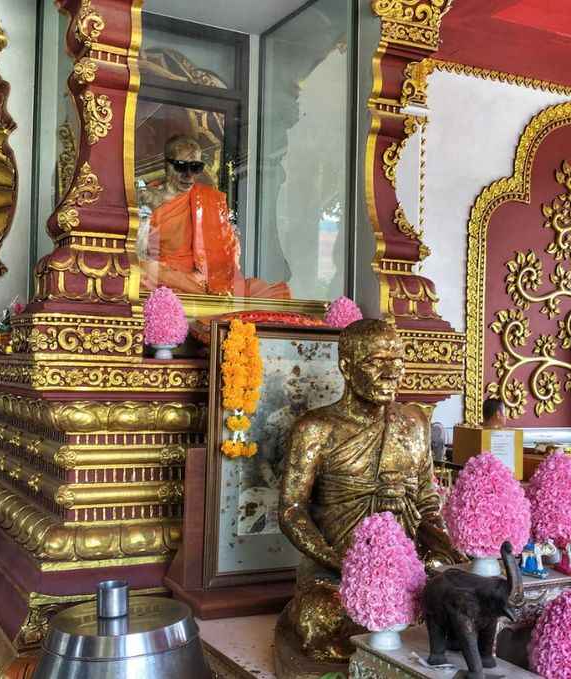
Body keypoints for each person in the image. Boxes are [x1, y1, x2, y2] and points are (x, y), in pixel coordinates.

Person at [277, 319, 462, 662]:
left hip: (407, 565)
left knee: (458, 596)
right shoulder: (316, 429)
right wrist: (340, 562)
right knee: (319, 616)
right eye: (377, 362)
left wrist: (450, 550)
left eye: (397, 362)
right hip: (337, 572)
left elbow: (425, 501)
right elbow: (291, 510)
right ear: (346, 367)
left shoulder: (414, 423)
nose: (392, 373)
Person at [137, 134, 290, 298]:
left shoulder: (210, 199)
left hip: (207, 280)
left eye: (195, 167)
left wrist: (211, 272)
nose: (188, 175)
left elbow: (227, 253)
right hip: (166, 277)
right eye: (181, 166)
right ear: (166, 165)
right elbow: (139, 251)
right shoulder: (147, 200)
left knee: (269, 296)